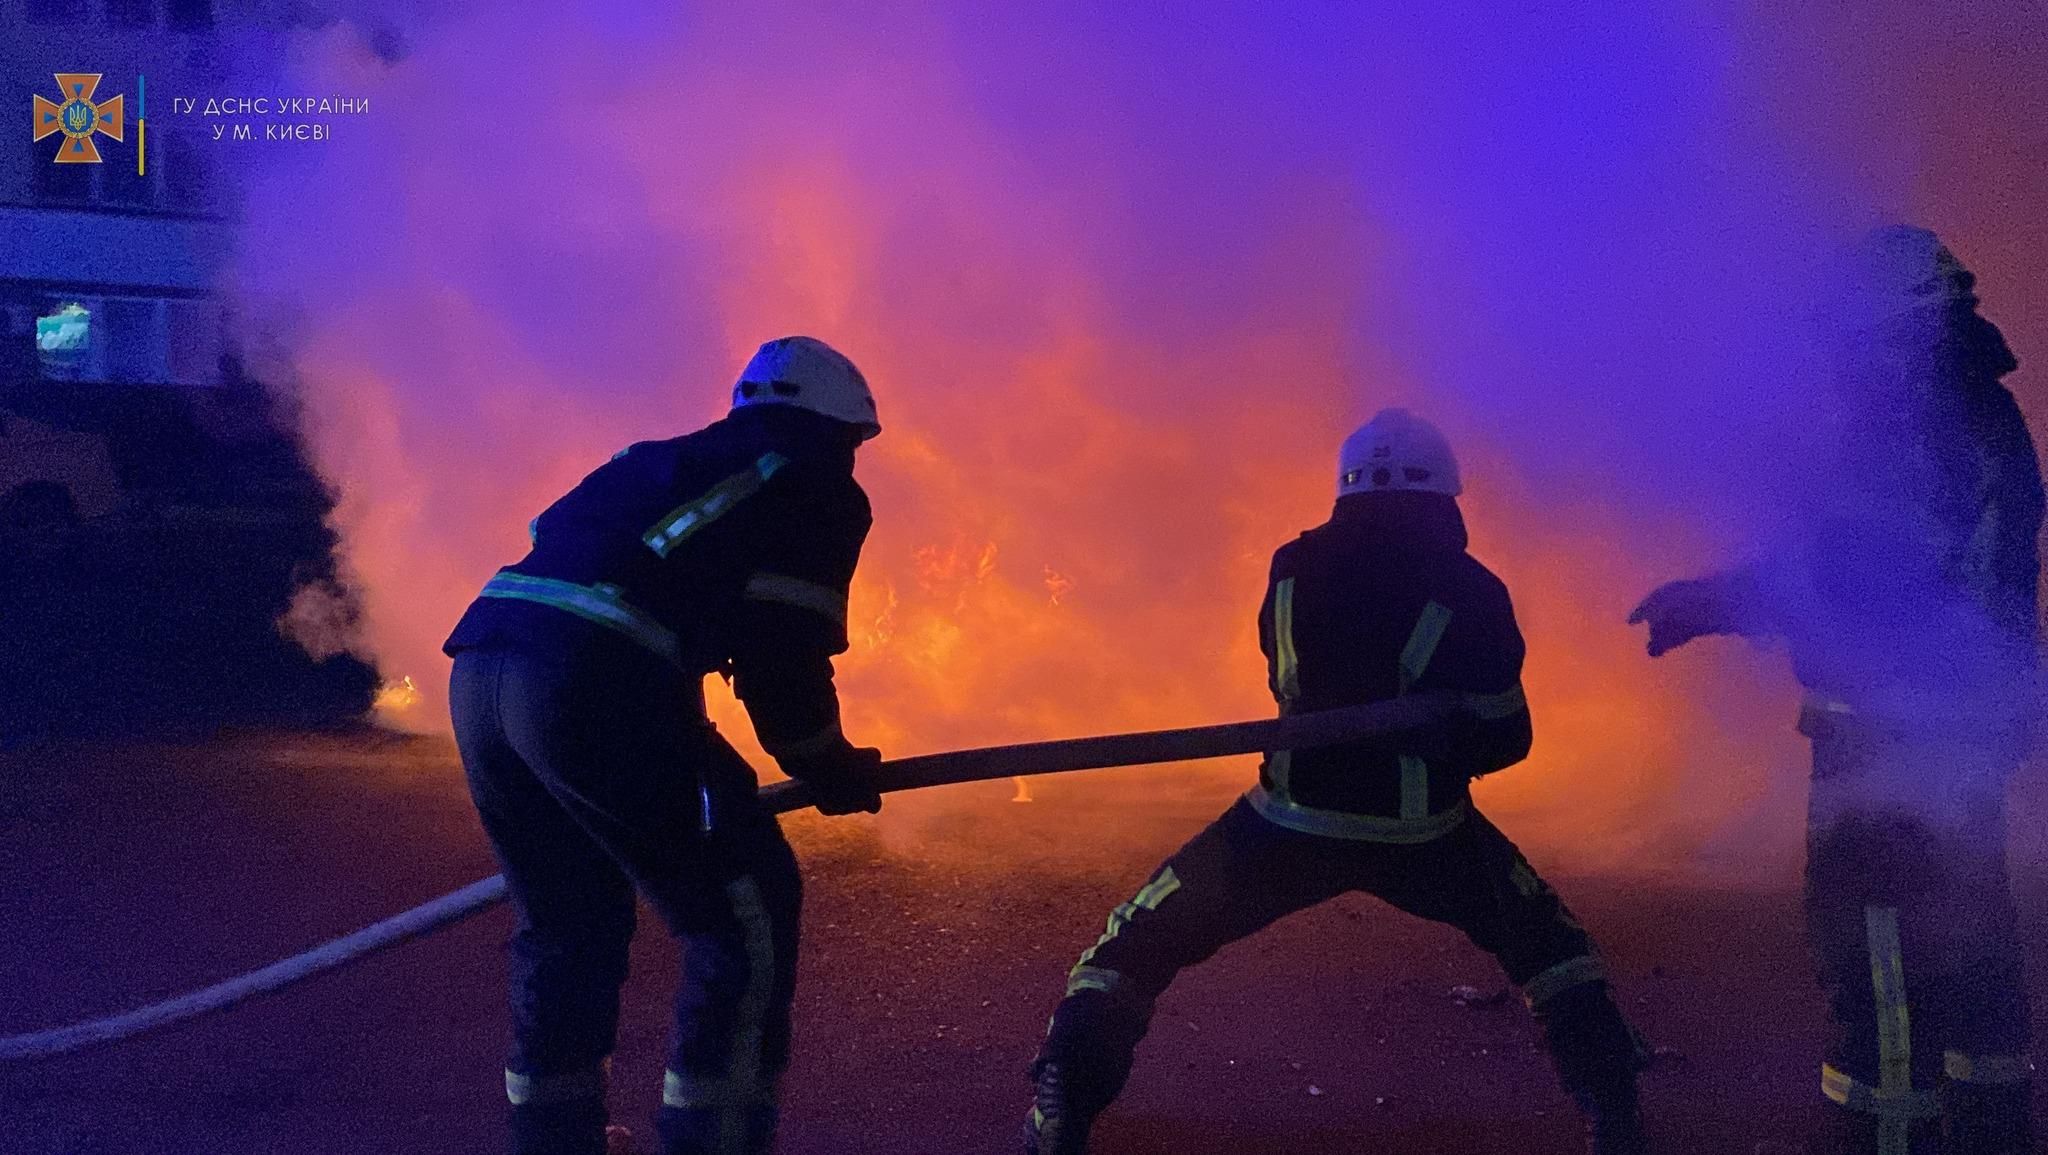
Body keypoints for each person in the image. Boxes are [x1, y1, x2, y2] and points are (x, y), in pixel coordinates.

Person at [1025, 409, 1649, 1154]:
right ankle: (1614, 1108)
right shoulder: (1474, 590)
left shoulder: (1291, 566)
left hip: (1290, 820)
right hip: (1427, 832)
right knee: (1552, 947)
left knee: (1134, 943)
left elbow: (1282, 675)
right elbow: (1507, 739)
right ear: (1444, 495)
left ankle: (1065, 1099)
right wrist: (1442, 730)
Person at [1630, 226, 2038, 1155]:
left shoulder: (1909, 425)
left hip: (1889, 742)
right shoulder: (1983, 413)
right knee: (1972, 955)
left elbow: (1857, 582)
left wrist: (1719, 599)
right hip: (1958, 736)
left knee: (1879, 958)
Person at [444, 336, 887, 1155]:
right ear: (839, 427)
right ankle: (715, 1139)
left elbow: (561, 537)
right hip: (594, 682)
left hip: (483, 670)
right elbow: (780, 652)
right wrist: (827, 760)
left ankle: (551, 1140)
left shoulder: (659, 459)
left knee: (567, 921)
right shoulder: (813, 479)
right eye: (857, 445)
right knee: (743, 913)